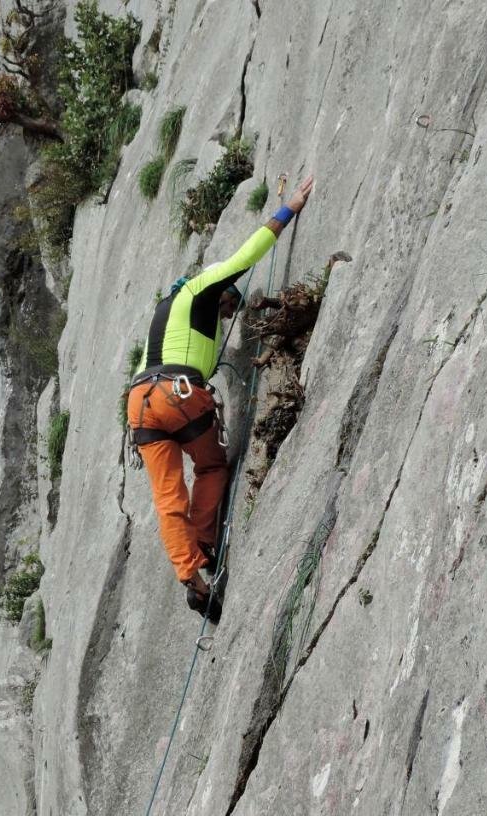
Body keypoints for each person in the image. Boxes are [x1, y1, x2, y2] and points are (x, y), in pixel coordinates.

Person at [127, 175, 315, 622]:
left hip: (140, 406)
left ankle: (191, 575)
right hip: (178, 395)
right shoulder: (202, 288)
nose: (231, 310)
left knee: (168, 498)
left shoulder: (168, 314)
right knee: (211, 464)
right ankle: (205, 543)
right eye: (232, 303)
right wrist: (288, 209)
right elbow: (245, 257)